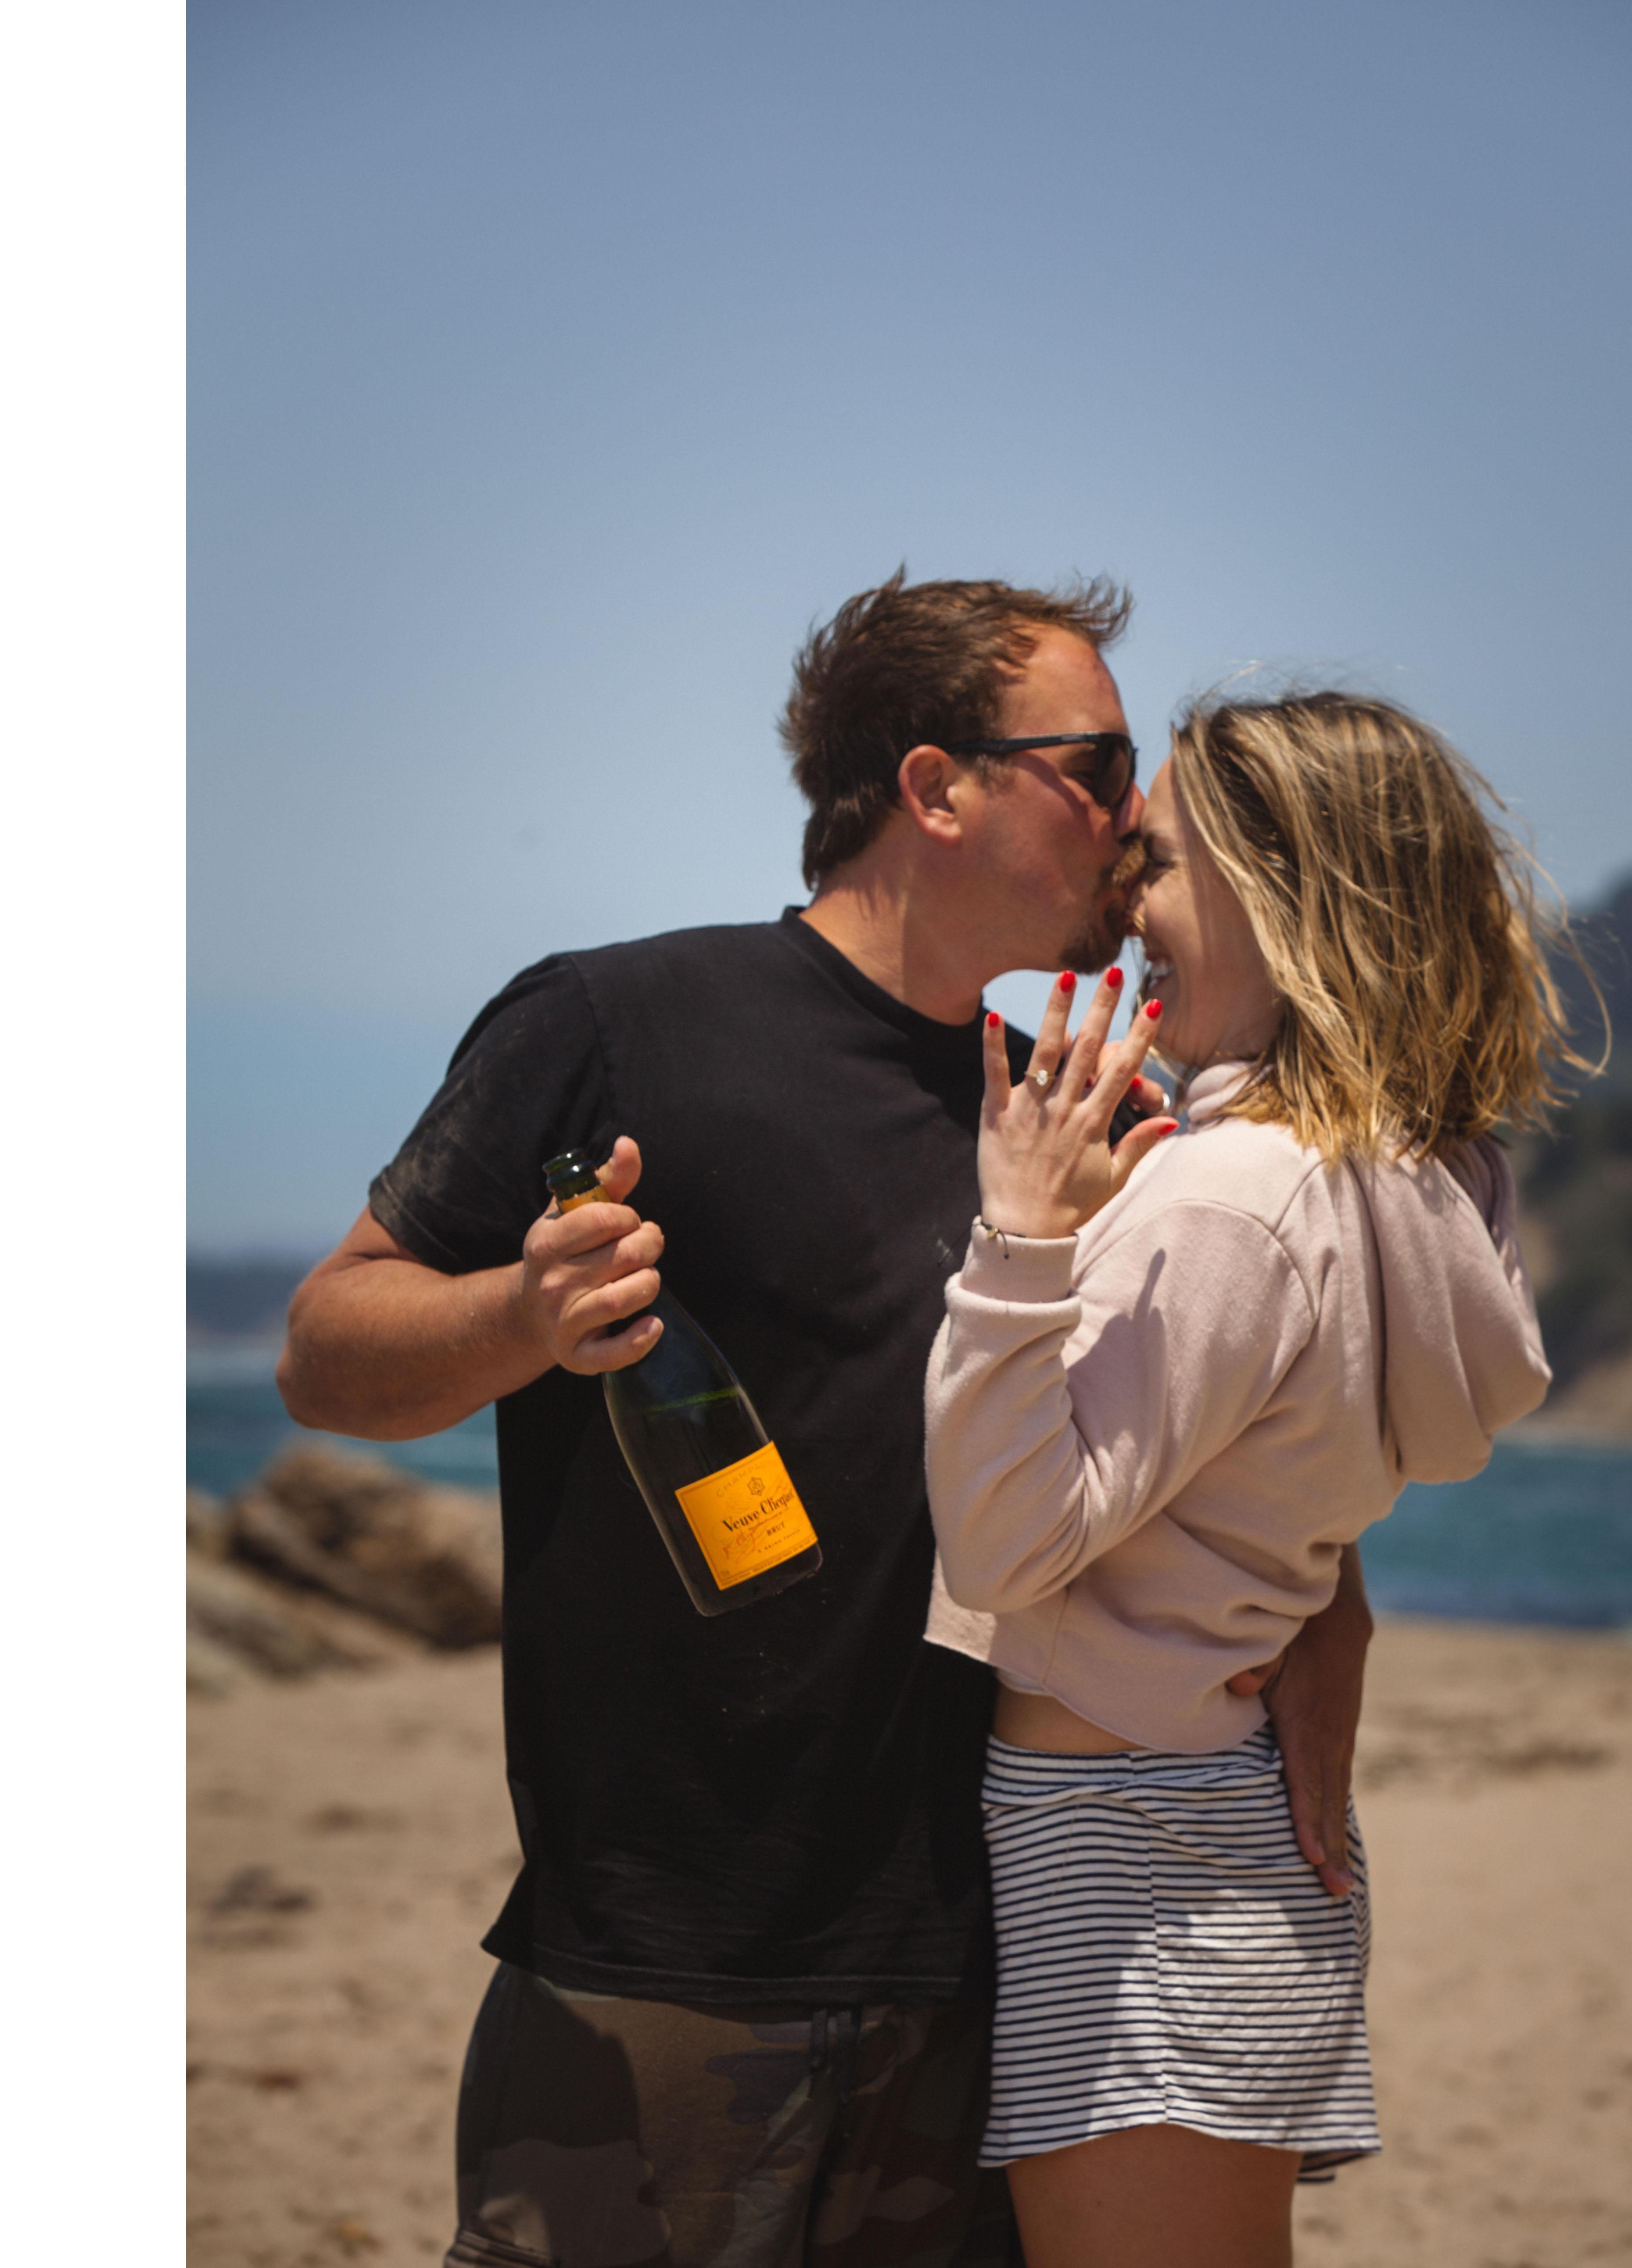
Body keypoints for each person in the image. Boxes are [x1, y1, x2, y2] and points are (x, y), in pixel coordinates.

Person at [274, 575, 1379, 2268]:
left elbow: (1213, 1416)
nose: (1135, 816)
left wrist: (1332, 1603)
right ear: (935, 787)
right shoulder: (615, 1025)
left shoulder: (1080, 1106)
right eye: (1095, 765)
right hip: (665, 1963)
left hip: (999, 1951)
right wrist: (518, 1314)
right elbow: (325, 1352)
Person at [921, 689, 1573, 2268]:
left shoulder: (1227, 1196)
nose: (1122, 897)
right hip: (1204, 1821)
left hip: (1124, 1843)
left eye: (1157, 862)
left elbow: (1004, 1546)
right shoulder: (1400, 1186)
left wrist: (1022, 1232)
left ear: (1281, 896)